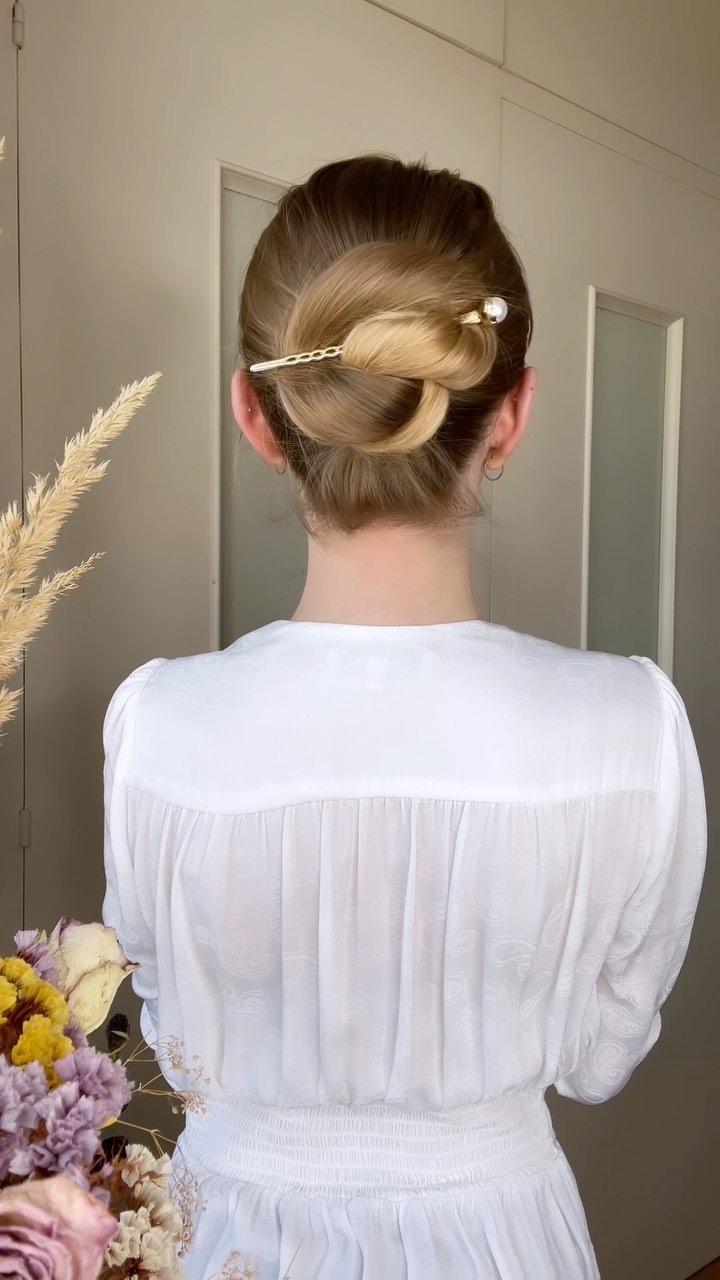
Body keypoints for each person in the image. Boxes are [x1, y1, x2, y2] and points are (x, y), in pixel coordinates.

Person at [103, 155, 706, 1279]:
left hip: (220, 1237)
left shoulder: (157, 724)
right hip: (504, 1239)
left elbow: (172, 1029)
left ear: (256, 415)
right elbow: (599, 1060)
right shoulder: (634, 729)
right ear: (512, 415)